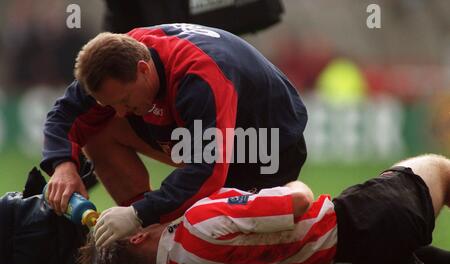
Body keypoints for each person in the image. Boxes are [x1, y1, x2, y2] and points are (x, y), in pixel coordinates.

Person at [41, 23, 308, 248]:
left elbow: (207, 169)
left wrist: (139, 213)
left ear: (144, 69)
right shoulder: (118, 57)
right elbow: (64, 114)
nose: (120, 112)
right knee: (97, 129)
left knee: (217, 238)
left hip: (264, 149)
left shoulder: (198, 78)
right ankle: (147, 232)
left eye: (123, 100)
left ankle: (286, 196)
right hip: (200, 138)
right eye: (110, 104)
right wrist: (63, 165)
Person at [79, 154, 450, 264]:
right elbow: (298, 203)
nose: (145, 217)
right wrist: (290, 185)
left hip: (357, 262)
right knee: (441, 170)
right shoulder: (197, 223)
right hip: (364, 219)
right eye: (138, 222)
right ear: (139, 237)